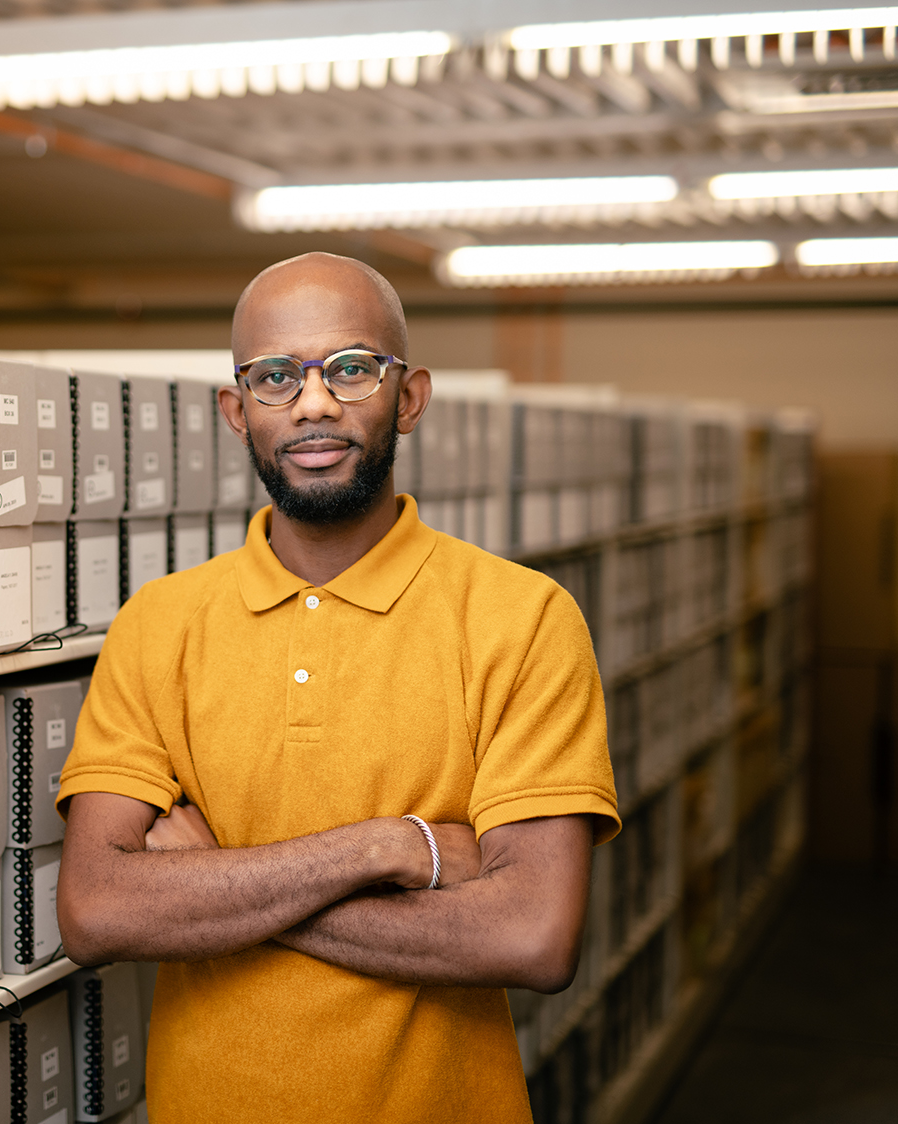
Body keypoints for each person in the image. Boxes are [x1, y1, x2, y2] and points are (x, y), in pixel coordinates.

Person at [54, 252, 620, 1121]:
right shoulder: (159, 625)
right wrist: (388, 850)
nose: (314, 403)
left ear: (411, 396)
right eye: (276, 376)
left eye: (352, 368)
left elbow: (533, 937)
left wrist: (215, 887)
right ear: (237, 412)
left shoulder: (524, 617)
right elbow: (95, 913)